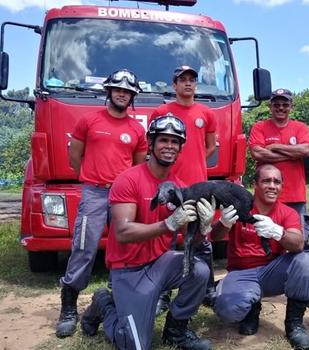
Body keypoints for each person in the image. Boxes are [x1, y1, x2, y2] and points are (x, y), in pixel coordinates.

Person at [79, 114, 212, 350]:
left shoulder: (180, 187)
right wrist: (167, 225)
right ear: (150, 144)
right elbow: (122, 232)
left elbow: (193, 237)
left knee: (200, 269)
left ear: (180, 148)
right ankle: (104, 304)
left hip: (161, 262)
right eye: (163, 140)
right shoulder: (128, 179)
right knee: (135, 345)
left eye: (175, 142)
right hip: (129, 269)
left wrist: (206, 227)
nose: (169, 146)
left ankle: (176, 331)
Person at [56, 69, 147, 338]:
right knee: (84, 247)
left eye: (127, 91)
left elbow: (139, 167)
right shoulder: (89, 121)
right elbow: (75, 157)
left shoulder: (137, 129)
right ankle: (69, 308)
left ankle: (117, 301)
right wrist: (91, 179)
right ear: (108, 91)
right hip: (94, 193)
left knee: (124, 247)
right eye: (118, 89)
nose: (122, 93)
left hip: (123, 196)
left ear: (132, 97)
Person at [211, 164, 309, 350]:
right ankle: (251, 308)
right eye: (266, 180)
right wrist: (224, 222)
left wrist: (278, 232)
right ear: (255, 184)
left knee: (304, 260)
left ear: (282, 186)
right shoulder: (240, 206)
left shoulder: (287, 212)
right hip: (242, 272)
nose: (272, 186)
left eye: (277, 182)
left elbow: (298, 243)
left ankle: (294, 324)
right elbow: (215, 237)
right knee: (227, 311)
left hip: (272, 271)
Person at [150, 65, 218, 313]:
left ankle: (208, 290)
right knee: (167, 240)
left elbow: (209, 146)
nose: (188, 84)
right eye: (182, 80)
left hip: (199, 186)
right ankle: (163, 294)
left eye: (192, 80)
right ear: (174, 85)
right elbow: (154, 146)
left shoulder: (206, 113)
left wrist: (195, 161)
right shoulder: (161, 111)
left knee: (202, 238)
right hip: (170, 186)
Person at [248, 88, 309, 310]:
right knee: (262, 239)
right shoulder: (260, 127)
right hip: (266, 196)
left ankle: (305, 288)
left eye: (285, 104)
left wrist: (275, 148)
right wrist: (291, 152)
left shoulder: (300, 127)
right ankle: (260, 287)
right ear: (270, 106)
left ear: (290, 106)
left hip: (295, 196)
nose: (280, 108)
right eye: (276, 104)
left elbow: (306, 150)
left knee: (301, 242)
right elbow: (257, 154)